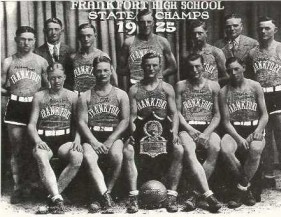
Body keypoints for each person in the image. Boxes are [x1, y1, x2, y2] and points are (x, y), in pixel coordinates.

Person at [123, 52, 183, 213]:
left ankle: (171, 195)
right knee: (128, 149)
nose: (151, 68)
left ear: (160, 66)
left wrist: (175, 133)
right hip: (142, 135)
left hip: (164, 134)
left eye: (154, 65)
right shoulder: (134, 89)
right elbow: (133, 116)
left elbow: (174, 113)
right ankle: (133, 196)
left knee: (179, 149)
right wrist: (132, 134)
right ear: (142, 66)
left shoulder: (166, 88)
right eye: (147, 65)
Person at [247, 16, 281, 196]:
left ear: (275, 30)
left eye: (267, 28)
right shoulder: (252, 53)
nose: (263, 32)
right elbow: (249, 78)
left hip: (280, 95)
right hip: (261, 97)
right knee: (264, 140)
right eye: (260, 28)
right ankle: (268, 176)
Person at [1, 26, 49, 204]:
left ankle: (38, 186)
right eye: (22, 39)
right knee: (17, 149)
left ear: (35, 41)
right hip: (15, 106)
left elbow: (47, 87)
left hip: (35, 107)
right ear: (15, 40)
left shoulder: (41, 62)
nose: (26, 43)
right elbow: (0, 85)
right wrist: (11, 92)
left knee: (37, 147)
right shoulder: (8, 61)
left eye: (29, 39)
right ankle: (18, 187)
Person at [27, 62, 83, 214]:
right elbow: (31, 125)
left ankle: (52, 195)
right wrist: (38, 141)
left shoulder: (72, 96)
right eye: (52, 78)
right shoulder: (39, 96)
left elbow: (79, 124)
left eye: (59, 77)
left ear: (64, 77)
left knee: (77, 156)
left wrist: (77, 140)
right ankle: (57, 198)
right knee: (40, 154)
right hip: (45, 138)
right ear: (47, 78)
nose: (56, 81)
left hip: (64, 139)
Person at [77, 56, 130, 213]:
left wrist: (109, 141)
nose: (102, 74)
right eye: (99, 70)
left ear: (111, 70)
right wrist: (93, 142)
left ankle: (107, 193)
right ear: (93, 72)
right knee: (89, 156)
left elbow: (125, 121)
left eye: (106, 70)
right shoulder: (85, 96)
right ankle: (105, 197)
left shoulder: (121, 94)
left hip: (113, 136)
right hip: (92, 136)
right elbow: (81, 122)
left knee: (117, 156)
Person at [219, 57, 268, 208]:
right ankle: (247, 190)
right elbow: (226, 122)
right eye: (229, 71)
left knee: (255, 148)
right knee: (226, 149)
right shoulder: (223, 91)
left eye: (236, 69)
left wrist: (258, 131)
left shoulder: (255, 86)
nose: (233, 73)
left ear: (244, 68)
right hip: (235, 129)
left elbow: (265, 114)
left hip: (254, 127)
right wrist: (239, 138)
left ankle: (240, 190)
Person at [175, 53, 222, 212]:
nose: (194, 70)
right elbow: (177, 113)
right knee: (189, 150)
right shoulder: (181, 85)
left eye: (197, 66)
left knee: (215, 147)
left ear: (203, 66)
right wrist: (190, 129)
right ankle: (209, 195)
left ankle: (195, 195)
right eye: (191, 67)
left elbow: (217, 115)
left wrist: (207, 133)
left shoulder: (213, 86)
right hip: (187, 128)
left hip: (207, 128)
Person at [118, 9, 177, 87]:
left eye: (149, 22)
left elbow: (173, 67)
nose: (146, 25)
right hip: (136, 86)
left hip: (156, 86)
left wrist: (158, 75)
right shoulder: (129, 42)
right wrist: (133, 71)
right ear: (138, 23)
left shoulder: (162, 41)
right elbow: (119, 69)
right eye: (142, 22)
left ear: (153, 23)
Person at [68, 23, 118, 93]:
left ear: (95, 36)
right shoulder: (72, 57)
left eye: (89, 36)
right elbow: (67, 82)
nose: (86, 39)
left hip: (95, 95)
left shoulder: (102, 56)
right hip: (77, 96)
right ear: (79, 38)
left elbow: (114, 81)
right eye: (83, 36)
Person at [35, 17, 74, 86]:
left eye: (56, 29)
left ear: (62, 31)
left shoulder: (70, 51)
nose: (53, 33)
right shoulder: (37, 53)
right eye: (50, 30)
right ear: (45, 31)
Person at [189, 20, 228, 85]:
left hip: (212, 91)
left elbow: (226, 76)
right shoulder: (189, 54)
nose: (196, 36)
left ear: (206, 33)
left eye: (199, 33)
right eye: (194, 34)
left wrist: (213, 83)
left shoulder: (216, 52)